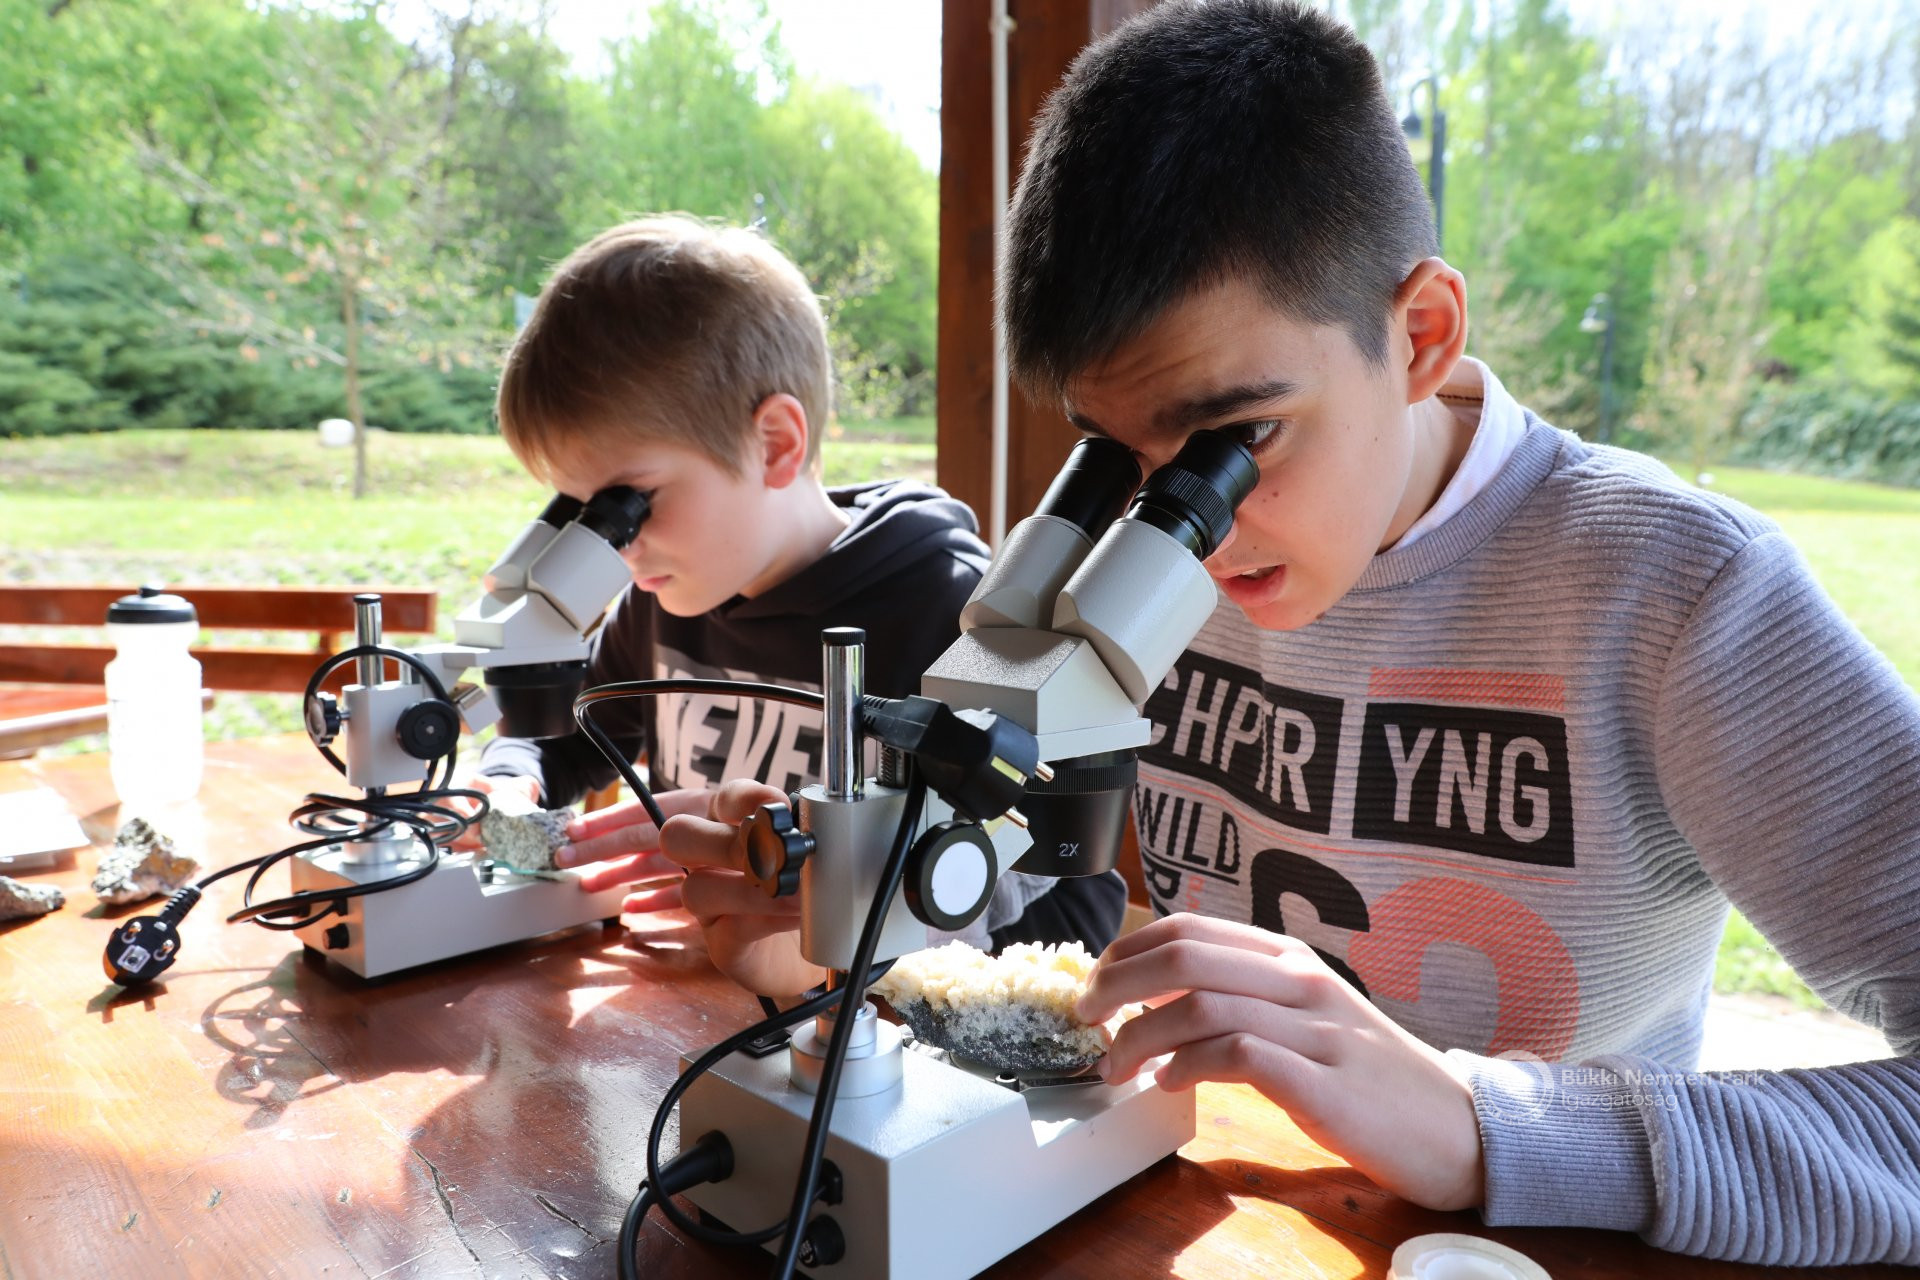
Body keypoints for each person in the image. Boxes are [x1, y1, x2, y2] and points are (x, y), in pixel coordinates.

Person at [655, 3, 1920, 1267]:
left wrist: (1485, 1122)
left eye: (1237, 440)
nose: (1189, 539)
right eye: (1126, 458)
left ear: (1420, 334)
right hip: (1234, 1221)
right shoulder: (1131, 572)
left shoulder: (1680, 591)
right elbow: (1011, 916)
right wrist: (839, 923)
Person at [465, 215, 1128, 959]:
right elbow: (562, 743)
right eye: (580, 515)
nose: (616, 547)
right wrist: (508, 784)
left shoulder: (959, 618)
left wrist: (845, 917)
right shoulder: (653, 602)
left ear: (775, 443)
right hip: (708, 992)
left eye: (626, 505)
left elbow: (1069, 895)